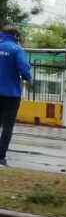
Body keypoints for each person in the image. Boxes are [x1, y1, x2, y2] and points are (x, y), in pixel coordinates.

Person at [0, 25, 32, 166]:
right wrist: (28, 77)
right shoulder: (17, 49)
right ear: (16, 36)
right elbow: (24, 71)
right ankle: (1, 157)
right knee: (7, 127)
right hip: (11, 95)